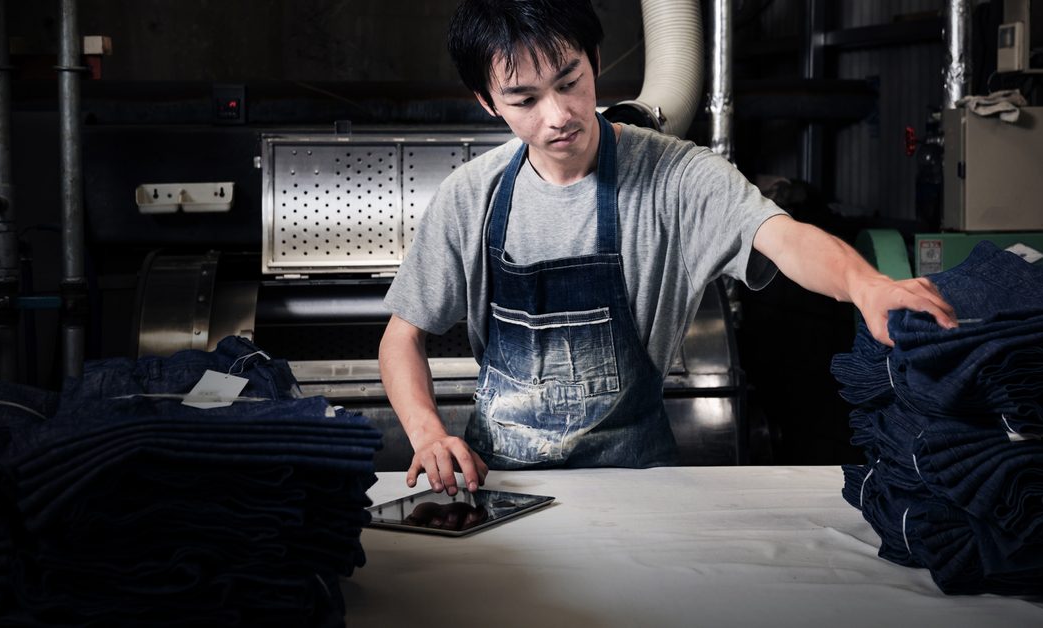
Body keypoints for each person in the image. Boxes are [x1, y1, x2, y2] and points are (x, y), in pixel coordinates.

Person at [379, 0, 956, 496]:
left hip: (639, 487)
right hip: (498, 488)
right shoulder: (471, 196)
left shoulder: (676, 178)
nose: (558, 116)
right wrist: (428, 435)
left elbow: (785, 238)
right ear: (488, 102)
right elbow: (402, 337)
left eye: (569, 81)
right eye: (524, 100)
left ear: (597, 62)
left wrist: (868, 285)